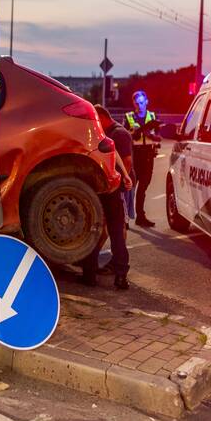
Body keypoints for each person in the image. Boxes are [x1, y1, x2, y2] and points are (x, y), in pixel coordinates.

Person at [81, 105, 135, 290]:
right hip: (110, 188)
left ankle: (89, 275)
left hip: (99, 189)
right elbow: (115, 153)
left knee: (94, 230)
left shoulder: (89, 135)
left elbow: (119, 156)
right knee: (116, 233)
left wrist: (126, 177)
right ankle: (120, 276)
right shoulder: (103, 136)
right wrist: (125, 177)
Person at [125, 90, 161, 228]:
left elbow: (159, 138)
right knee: (131, 189)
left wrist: (151, 136)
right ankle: (126, 218)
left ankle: (140, 216)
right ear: (133, 103)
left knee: (142, 189)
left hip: (148, 157)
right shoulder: (128, 117)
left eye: (141, 102)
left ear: (146, 102)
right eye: (136, 103)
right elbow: (124, 136)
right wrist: (133, 134)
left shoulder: (152, 116)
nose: (139, 105)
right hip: (135, 156)